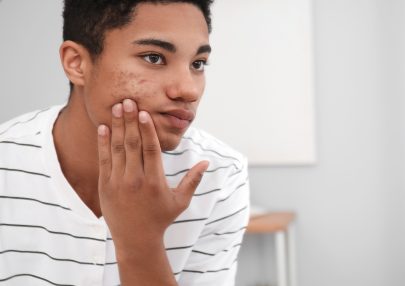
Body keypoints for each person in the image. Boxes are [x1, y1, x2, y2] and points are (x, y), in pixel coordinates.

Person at [0, 1, 250, 285]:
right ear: (76, 63)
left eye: (198, 64)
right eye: (154, 58)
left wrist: (141, 241)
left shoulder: (219, 175)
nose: (188, 90)